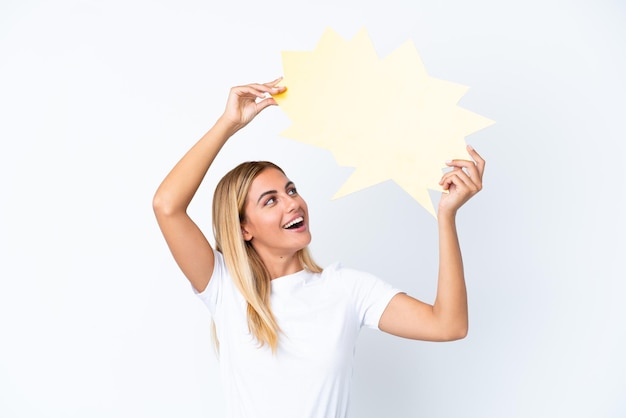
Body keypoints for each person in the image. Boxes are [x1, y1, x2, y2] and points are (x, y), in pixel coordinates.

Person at [152, 77, 485, 418]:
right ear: (244, 228)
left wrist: (446, 216)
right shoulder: (225, 288)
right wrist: (229, 124)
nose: (292, 204)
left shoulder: (347, 289)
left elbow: (449, 325)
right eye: (271, 201)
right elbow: (166, 205)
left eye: (291, 190)